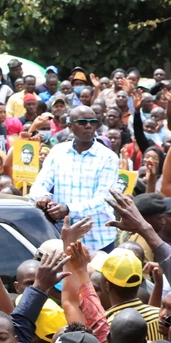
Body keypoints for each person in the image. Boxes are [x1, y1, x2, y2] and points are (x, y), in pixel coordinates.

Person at [30, 105, 120, 252]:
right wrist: (43, 196)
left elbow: (102, 201)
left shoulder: (108, 157)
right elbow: (40, 184)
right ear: (70, 126)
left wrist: (68, 209)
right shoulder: (58, 152)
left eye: (93, 122)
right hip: (62, 238)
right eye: (83, 122)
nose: (89, 126)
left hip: (97, 240)